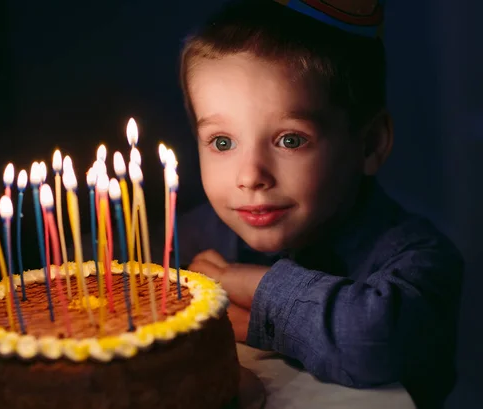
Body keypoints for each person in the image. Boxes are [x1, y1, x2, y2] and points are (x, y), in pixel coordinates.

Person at [173, 1, 464, 408]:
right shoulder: (188, 240)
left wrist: (249, 291)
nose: (250, 176)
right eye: (222, 142)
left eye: (290, 140)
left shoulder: (420, 260)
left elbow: (372, 339)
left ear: (369, 145)